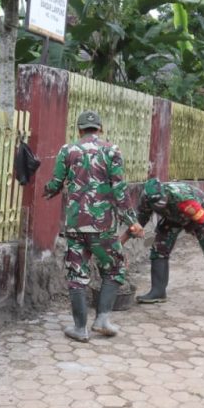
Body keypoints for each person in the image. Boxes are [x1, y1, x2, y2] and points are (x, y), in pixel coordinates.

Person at [43, 110, 144, 341]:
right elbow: (119, 190)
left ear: (79, 130)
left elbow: (56, 184)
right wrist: (132, 221)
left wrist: (45, 191)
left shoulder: (67, 150)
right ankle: (102, 319)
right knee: (114, 268)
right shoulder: (112, 150)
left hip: (75, 225)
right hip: (103, 225)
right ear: (100, 128)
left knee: (77, 274)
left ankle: (80, 329)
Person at [132, 178, 204, 317]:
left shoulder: (183, 199)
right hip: (173, 216)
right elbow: (140, 221)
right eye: (157, 206)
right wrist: (121, 241)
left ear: (165, 194)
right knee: (159, 247)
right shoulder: (147, 198)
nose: (159, 207)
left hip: (201, 214)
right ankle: (158, 291)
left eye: (162, 202)